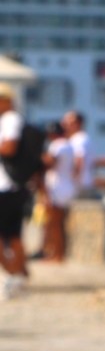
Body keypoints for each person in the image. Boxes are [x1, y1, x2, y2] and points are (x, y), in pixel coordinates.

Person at [0, 88, 31, 296]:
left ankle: (14, 274)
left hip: (7, 187)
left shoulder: (10, 119)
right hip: (11, 187)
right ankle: (18, 274)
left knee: (11, 234)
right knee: (13, 234)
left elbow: (10, 147)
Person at [41, 120, 78, 263]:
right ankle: (59, 253)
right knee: (60, 223)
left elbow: (50, 163)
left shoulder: (57, 145)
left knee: (54, 223)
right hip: (67, 186)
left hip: (57, 188)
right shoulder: (69, 145)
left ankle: (57, 255)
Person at [65, 108, 95, 195]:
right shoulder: (83, 138)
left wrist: (72, 179)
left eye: (69, 122)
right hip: (84, 183)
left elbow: (79, 160)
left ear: (78, 123)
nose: (66, 125)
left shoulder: (79, 139)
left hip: (78, 185)